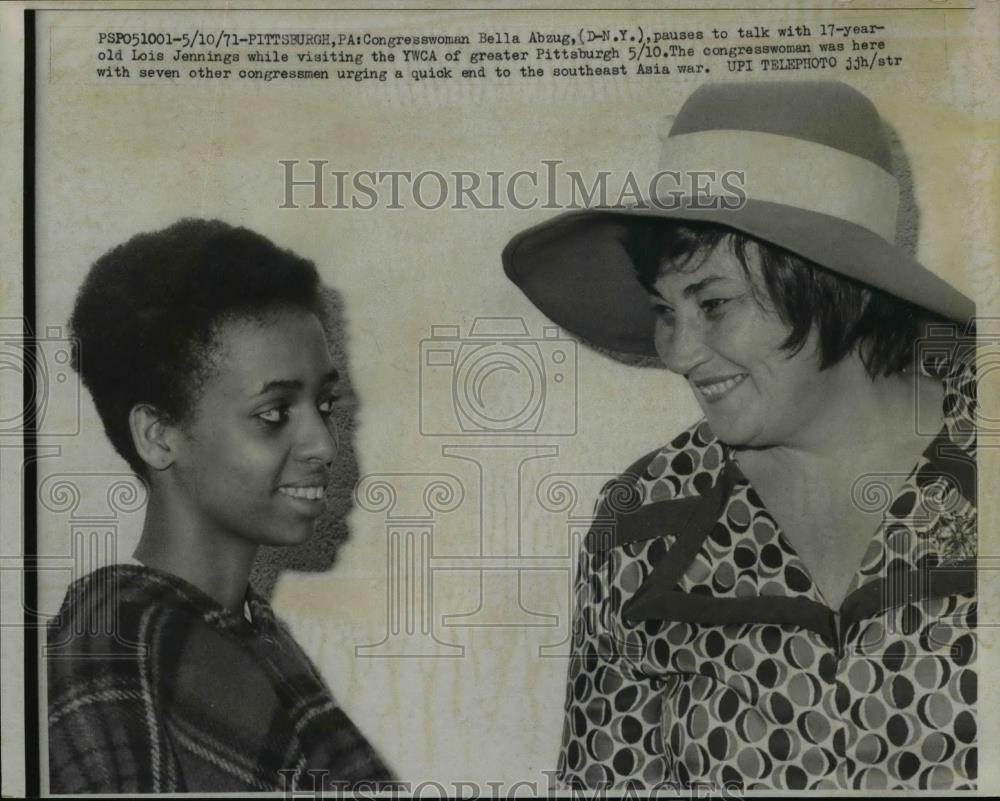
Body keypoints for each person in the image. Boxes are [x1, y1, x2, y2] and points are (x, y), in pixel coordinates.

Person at [502, 82, 977, 791]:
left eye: (715, 303)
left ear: (832, 285)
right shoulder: (644, 525)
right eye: (667, 309)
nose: (680, 352)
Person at [47, 219, 393, 793]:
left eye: (325, 404)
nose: (324, 445)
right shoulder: (120, 632)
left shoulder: (257, 640)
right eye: (274, 413)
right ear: (158, 435)